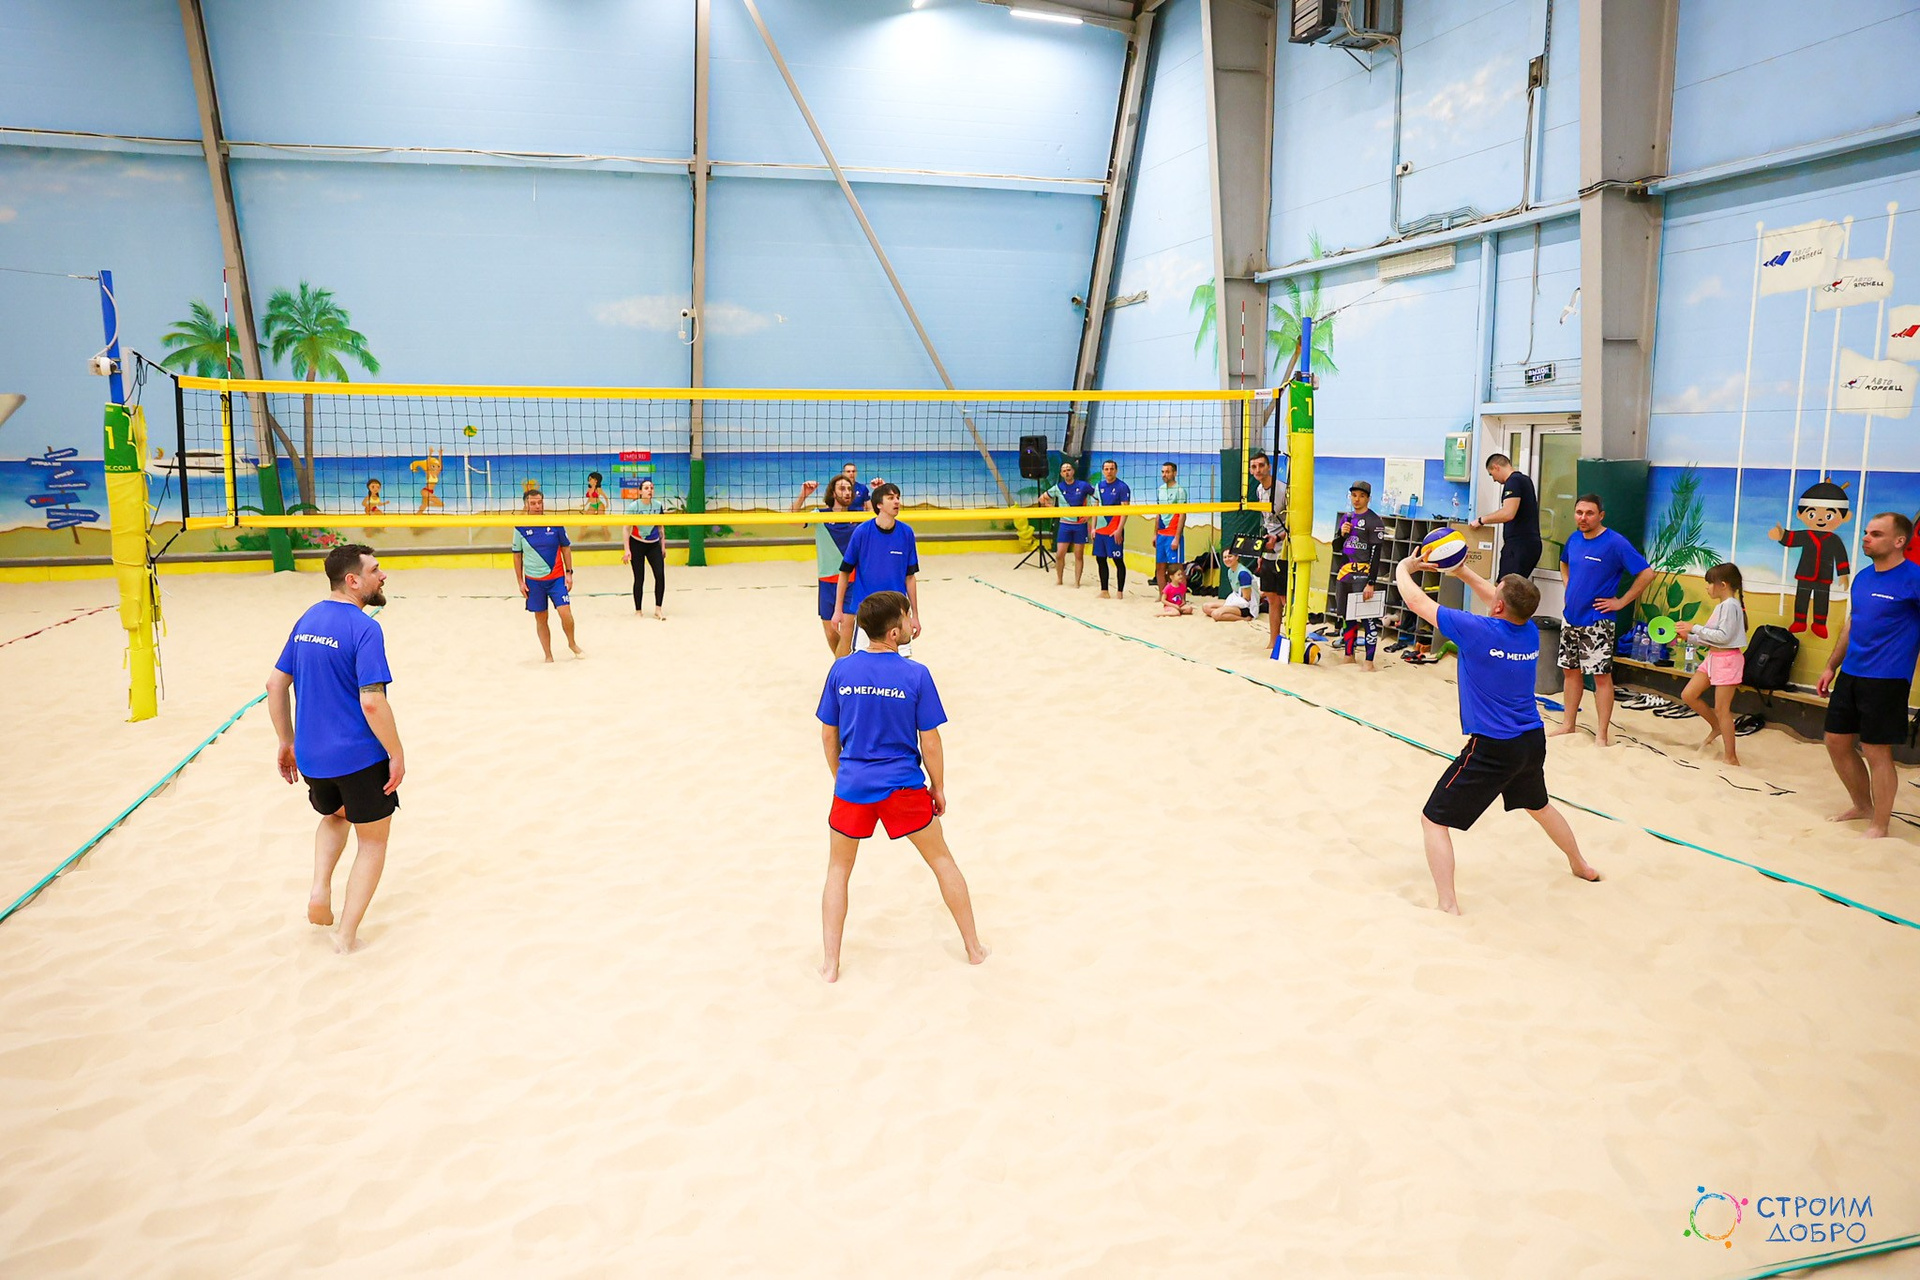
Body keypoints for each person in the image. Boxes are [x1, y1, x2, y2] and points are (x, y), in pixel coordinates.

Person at [1394, 553, 1601, 914]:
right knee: (1539, 806)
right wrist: (1463, 571)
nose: (1492, 595)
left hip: (1492, 748)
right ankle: (1580, 864)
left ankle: (1447, 904)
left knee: (1433, 820)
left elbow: (1416, 601)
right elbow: (1503, 599)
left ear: (1499, 606)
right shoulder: (1529, 630)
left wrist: (1403, 568)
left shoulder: (1477, 630)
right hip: (1531, 740)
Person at [815, 590, 988, 982]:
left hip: (853, 786)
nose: (912, 623)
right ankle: (974, 949)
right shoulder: (916, 674)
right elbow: (931, 741)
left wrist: (841, 778)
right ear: (894, 633)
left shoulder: (841, 670)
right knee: (942, 861)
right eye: (908, 617)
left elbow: (828, 735)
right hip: (903, 787)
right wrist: (938, 787)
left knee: (838, 870)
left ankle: (830, 965)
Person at [265, 543, 405, 954]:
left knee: (335, 815)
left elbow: (274, 684)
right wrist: (396, 753)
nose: (383, 576)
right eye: (375, 570)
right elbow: (372, 702)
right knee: (373, 842)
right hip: (358, 757)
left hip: (312, 757)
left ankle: (319, 889)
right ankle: (345, 936)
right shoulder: (365, 628)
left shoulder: (308, 618)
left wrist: (286, 740)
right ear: (353, 580)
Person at [1817, 512, 1920, 839]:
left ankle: (1880, 824)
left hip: (1888, 679)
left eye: (1876, 534)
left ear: (1899, 541)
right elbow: (1852, 624)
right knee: (1835, 741)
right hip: (1851, 673)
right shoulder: (1863, 577)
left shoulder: (1914, 578)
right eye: (1866, 532)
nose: (1866, 538)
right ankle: (1862, 806)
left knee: (1876, 750)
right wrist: (1831, 665)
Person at [1551, 494, 1654, 746]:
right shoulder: (1574, 539)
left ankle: (1602, 734)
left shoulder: (1615, 543)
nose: (1583, 518)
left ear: (1601, 515)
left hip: (1598, 621)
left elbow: (1647, 573)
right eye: (1579, 512)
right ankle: (1568, 724)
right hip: (1570, 617)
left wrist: (1621, 601)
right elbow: (1564, 564)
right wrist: (1568, 585)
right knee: (1570, 672)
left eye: (1589, 513)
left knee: (1601, 676)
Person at [833, 482, 920, 658]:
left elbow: (910, 577)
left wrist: (915, 616)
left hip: (897, 610)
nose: (897, 501)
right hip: (868, 610)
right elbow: (844, 572)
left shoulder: (906, 533)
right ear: (879, 504)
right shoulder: (862, 532)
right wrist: (838, 610)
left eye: (898, 497)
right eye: (891, 498)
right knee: (863, 660)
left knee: (900, 661)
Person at [1675, 563, 1749, 767]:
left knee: (1722, 709)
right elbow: (1711, 639)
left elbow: (1723, 637)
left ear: (1722, 585)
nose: (1707, 587)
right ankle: (1716, 727)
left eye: (1709, 583)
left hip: (1727, 661)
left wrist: (1694, 627)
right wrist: (1689, 637)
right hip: (1713, 658)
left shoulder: (1730, 606)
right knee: (1689, 694)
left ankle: (1731, 757)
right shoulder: (1722, 606)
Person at [793, 474, 860, 654]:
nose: (847, 492)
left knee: (846, 632)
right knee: (831, 633)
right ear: (833, 493)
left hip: (852, 580)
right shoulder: (819, 515)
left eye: (849, 489)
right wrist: (803, 495)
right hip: (826, 580)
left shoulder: (859, 516)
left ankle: (839, 669)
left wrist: (877, 491)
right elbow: (792, 520)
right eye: (842, 488)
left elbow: (879, 517)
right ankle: (842, 665)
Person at [513, 489, 582, 662]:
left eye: (539, 502)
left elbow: (566, 548)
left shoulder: (555, 523)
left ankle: (572, 643)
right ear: (526, 505)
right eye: (533, 503)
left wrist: (569, 573)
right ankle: (548, 655)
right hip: (534, 582)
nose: (537, 506)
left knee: (565, 614)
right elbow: (517, 555)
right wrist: (520, 581)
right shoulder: (519, 527)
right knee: (541, 618)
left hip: (557, 578)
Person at [1331, 480, 1388, 669]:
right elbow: (1336, 547)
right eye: (1354, 495)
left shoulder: (1374, 521)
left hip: (1362, 576)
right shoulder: (1346, 518)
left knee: (1368, 618)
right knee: (1347, 617)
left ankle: (1369, 661)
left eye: (1362, 496)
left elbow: (1376, 554)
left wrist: (1371, 582)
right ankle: (1349, 655)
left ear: (1368, 499)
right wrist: (1342, 534)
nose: (1357, 499)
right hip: (1345, 574)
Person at [1471, 453, 1542, 579]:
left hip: (1519, 545)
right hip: (1528, 544)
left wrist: (1481, 520)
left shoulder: (1513, 481)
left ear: (1496, 467)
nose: (1494, 480)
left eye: (1491, 474)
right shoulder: (1524, 480)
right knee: (1515, 587)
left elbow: (1508, 513)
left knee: (1504, 586)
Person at [1249, 451, 1288, 653]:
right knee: (1271, 598)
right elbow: (1266, 524)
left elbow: (1294, 525)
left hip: (1284, 552)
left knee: (1284, 599)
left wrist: (1278, 538)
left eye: (1261, 465)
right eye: (1254, 467)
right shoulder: (1258, 490)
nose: (1258, 470)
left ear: (1269, 467)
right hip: (1268, 552)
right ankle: (1273, 641)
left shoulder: (1282, 489)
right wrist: (1260, 554)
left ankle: (1291, 639)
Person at [1042, 460, 1095, 588]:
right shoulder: (1058, 487)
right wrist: (1054, 510)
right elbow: (1042, 498)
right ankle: (1059, 580)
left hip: (1079, 525)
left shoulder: (1083, 486)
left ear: (1073, 471)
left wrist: (1089, 515)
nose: (1067, 472)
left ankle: (1077, 582)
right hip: (1065, 524)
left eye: (1069, 470)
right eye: (1064, 471)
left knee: (1078, 555)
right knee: (1060, 554)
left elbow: (1096, 497)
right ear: (1061, 474)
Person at [622, 476, 667, 619]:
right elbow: (626, 528)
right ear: (640, 492)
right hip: (637, 544)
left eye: (652, 488)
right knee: (639, 578)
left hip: (653, 544)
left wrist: (663, 546)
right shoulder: (634, 507)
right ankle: (638, 610)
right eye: (646, 488)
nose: (650, 490)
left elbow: (661, 527)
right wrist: (627, 550)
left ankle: (658, 609)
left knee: (660, 575)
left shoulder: (657, 505)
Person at [1092, 458, 1131, 599]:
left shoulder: (1122, 487)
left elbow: (1125, 511)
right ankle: (1104, 591)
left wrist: (1119, 530)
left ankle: (1119, 592)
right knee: (1100, 559)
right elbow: (1095, 508)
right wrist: (1093, 528)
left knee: (1117, 560)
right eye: (1106, 469)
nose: (1109, 471)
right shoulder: (1099, 486)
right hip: (1101, 529)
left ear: (1116, 470)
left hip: (1114, 529)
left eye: (1112, 469)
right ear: (1103, 471)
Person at [1152, 461, 1187, 587]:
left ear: (1174, 473)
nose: (1164, 474)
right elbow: (1158, 513)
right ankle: (1162, 595)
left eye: (1167, 472)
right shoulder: (1160, 489)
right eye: (1163, 472)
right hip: (1161, 534)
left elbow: (1182, 515)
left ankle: (1181, 596)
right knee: (1160, 567)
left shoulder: (1180, 490)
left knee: (1177, 568)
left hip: (1172, 534)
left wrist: (1177, 538)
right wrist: (1155, 534)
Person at [1201, 549, 1256, 621]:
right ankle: (1226, 614)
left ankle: (1244, 619)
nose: (1227, 559)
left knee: (1216, 614)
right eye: (1225, 557)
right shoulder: (1230, 571)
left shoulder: (1243, 574)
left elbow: (1246, 599)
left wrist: (1229, 606)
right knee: (1205, 607)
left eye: (1230, 556)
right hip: (1236, 602)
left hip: (1246, 607)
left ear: (1237, 557)